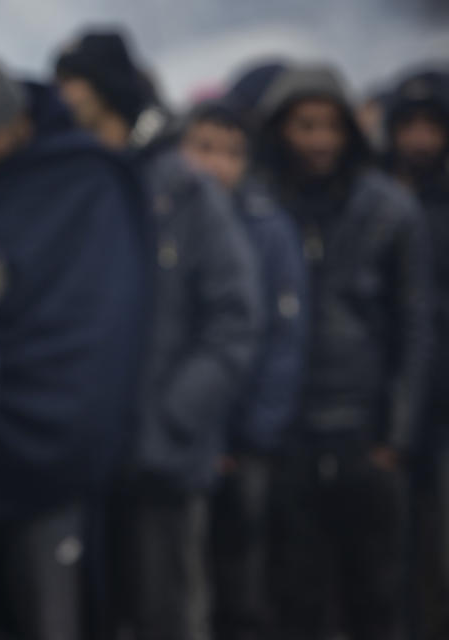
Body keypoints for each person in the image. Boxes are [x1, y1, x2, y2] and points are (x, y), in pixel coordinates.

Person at [55, 31, 262, 640]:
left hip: (165, 457)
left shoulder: (182, 185)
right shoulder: (81, 176)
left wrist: (173, 416)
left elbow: (236, 316)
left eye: (74, 83)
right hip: (90, 452)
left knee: (168, 613)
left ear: (103, 91)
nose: (64, 96)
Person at [0, 53, 150, 640]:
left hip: (62, 436)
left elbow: (107, 315)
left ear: (20, 119)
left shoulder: (84, 176)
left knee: (53, 617)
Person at [255, 64, 430, 640]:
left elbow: (414, 326)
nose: (319, 141)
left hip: (365, 434)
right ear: (281, 128)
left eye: (330, 126)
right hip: (290, 434)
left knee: (377, 595)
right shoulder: (258, 208)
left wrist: (396, 438)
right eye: (305, 125)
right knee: (295, 596)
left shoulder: (390, 210)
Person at [179, 99, 307, 640]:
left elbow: (283, 343)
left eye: (231, 153)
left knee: (244, 570)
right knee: (188, 572)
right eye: (204, 148)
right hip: (184, 430)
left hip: (248, 435)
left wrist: (251, 432)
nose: (216, 165)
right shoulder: (167, 217)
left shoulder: (268, 228)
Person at [382, 67, 449, 640]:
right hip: (387, 405)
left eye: (434, 124)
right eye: (410, 124)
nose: (421, 139)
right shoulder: (373, 200)